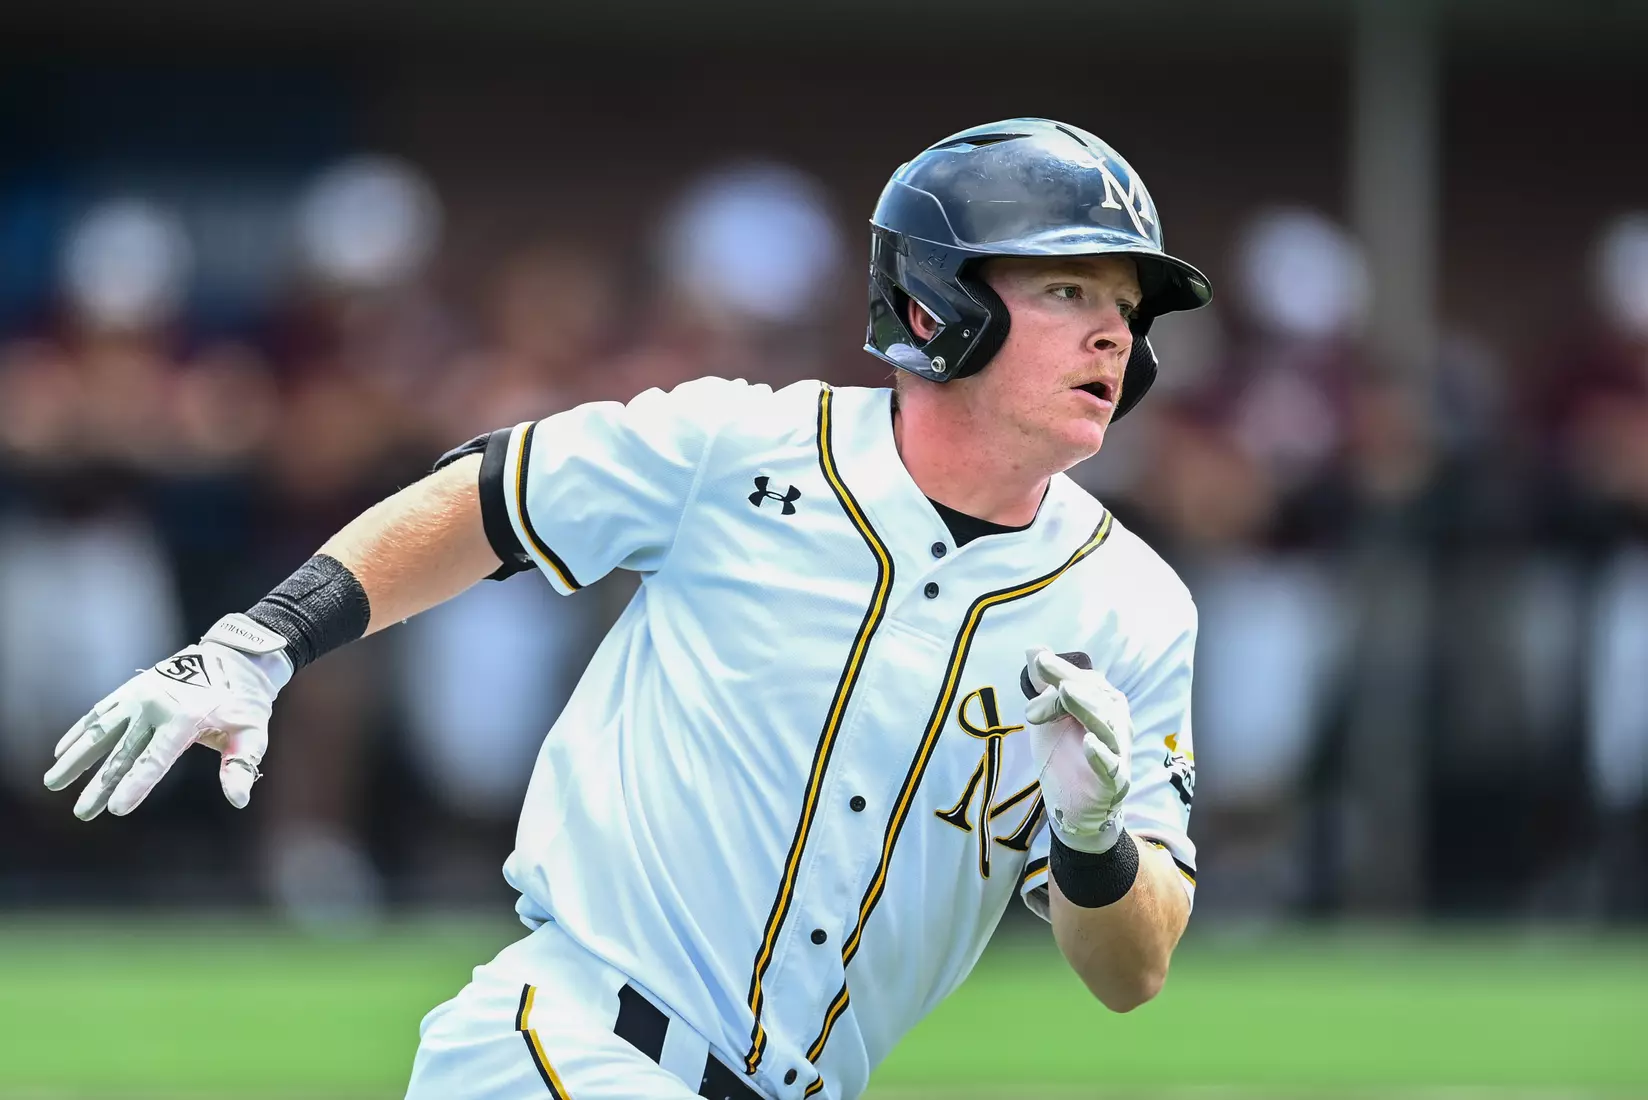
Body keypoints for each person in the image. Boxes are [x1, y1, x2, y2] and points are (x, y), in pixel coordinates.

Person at [43, 119, 1210, 1100]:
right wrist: (261, 640)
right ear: (935, 302)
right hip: (570, 1049)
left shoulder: (1135, 607)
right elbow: (492, 496)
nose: (1114, 329)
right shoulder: (740, 444)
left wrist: (1094, 842)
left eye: (1126, 303)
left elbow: (1133, 968)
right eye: (1066, 286)